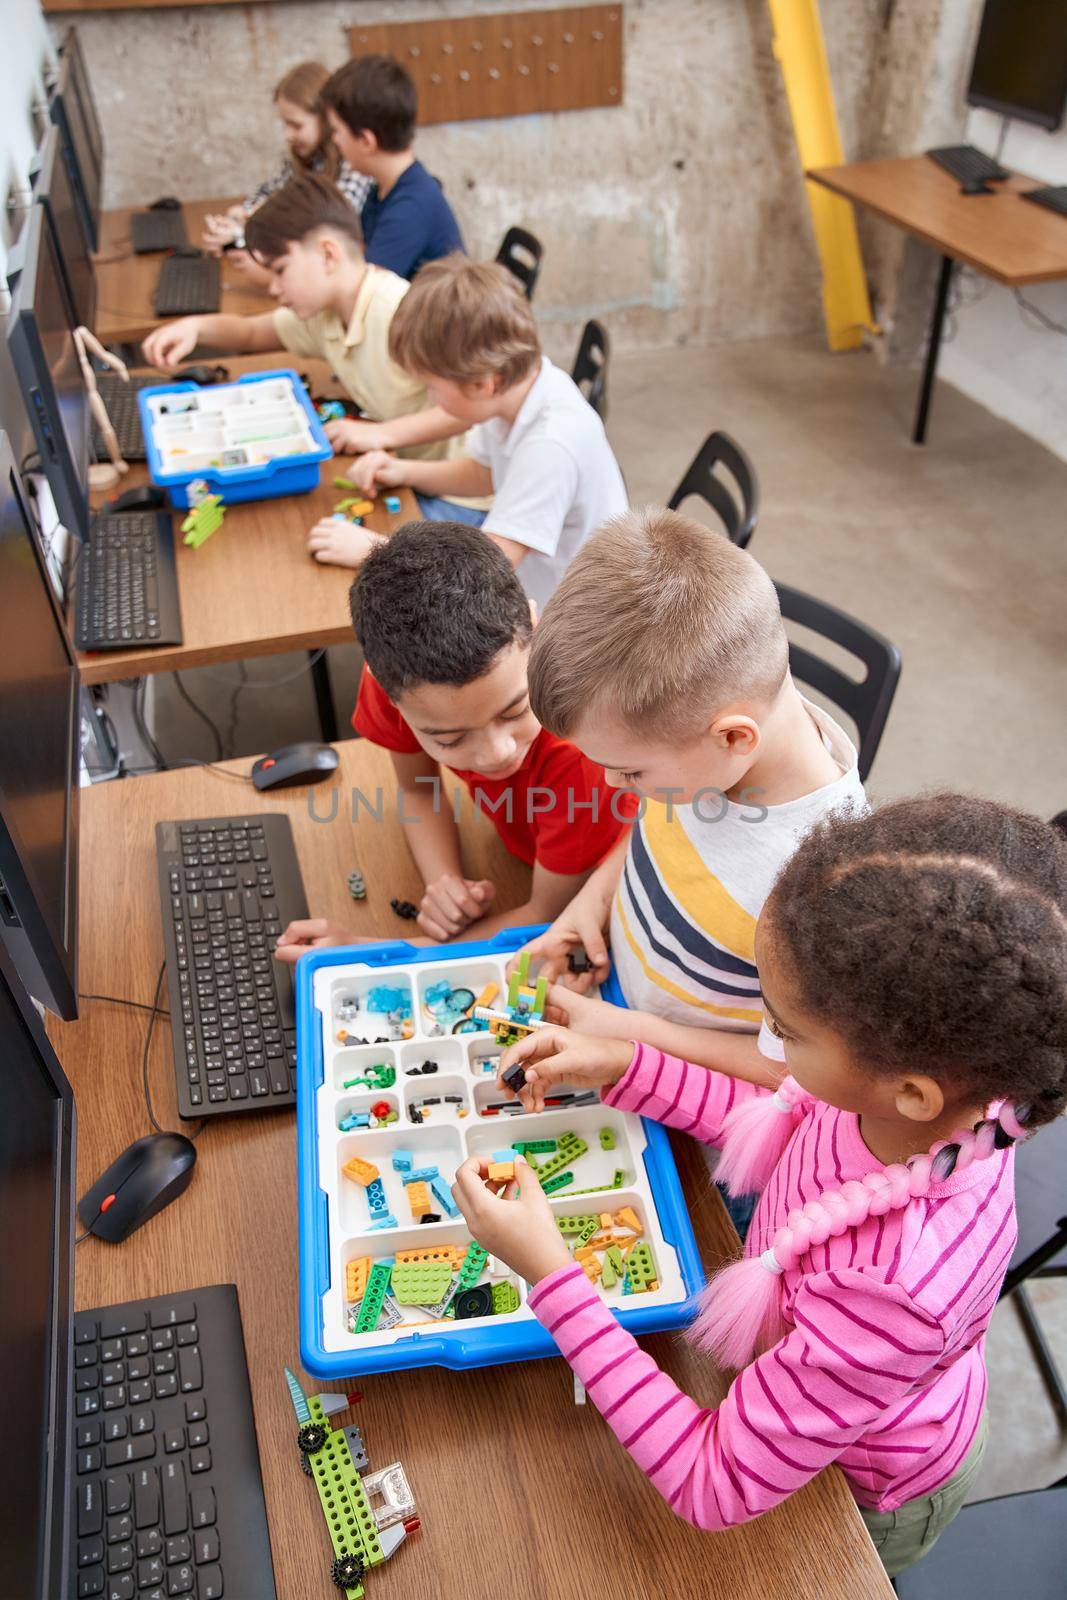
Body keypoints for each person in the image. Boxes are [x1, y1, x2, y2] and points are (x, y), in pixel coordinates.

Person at [453, 793, 1067, 1579]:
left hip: (856, 1492)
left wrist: (553, 1278)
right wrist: (623, 1066)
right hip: (811, 1380)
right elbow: (779, 1120)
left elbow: (713, 1482)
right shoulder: (939, 1105)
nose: (763, 1042)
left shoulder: (893, 1294)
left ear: (909, 1091)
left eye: (784, 1030)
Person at [510, 507, 866, 1090]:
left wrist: (626, 1034)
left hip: (687, 1095)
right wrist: (591, 904)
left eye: (627, 772)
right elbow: (654, 833)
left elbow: (786, 1071)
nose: (610, 786)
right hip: (616, 1008)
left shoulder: (822, 893)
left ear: (732, 737)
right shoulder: (701, 761)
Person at [274, 521, 638, 957]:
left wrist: (369, 953)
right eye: (449, 740)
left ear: (535, 629)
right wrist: (443, 881)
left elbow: (545, 913)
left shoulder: (583, 758)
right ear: (389, 694)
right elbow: (416, 789)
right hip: (523, 848)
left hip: (594, 881)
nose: (496, 752)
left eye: (517, 710)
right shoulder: (404, 681)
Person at [141, 175, 483, 549]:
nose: (272, 288)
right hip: (402, 473)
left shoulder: (398, 312)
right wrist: (196, 327)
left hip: (459, 496)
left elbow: (471, 408)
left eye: (280, 270)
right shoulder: (325, 313)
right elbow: (252, 333)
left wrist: (383, 434)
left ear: (328, 254)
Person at [343, 257, 628, 605]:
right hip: (534, 589)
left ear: (483, 384)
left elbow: (486, 572)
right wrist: (403, 471)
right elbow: (484, 474)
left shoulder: (550, 445)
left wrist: (374, 550)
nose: (430, 398)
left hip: (568, 626)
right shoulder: (515, 395)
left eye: (432, 387)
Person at [201, 61, 370, 284]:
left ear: (327, 120)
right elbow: (271, 193)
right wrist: (242, 216)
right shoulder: (306, 157)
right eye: (284, 124)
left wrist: (240, 237)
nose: (287, 135)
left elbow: (320, 230)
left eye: (296, 125)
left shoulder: (353, 166)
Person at [322, 53, 464, 281]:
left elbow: (363, 295)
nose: (334, 140)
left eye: (337, 131)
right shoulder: (382, 189)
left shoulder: (410, 208)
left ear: (366, 141)